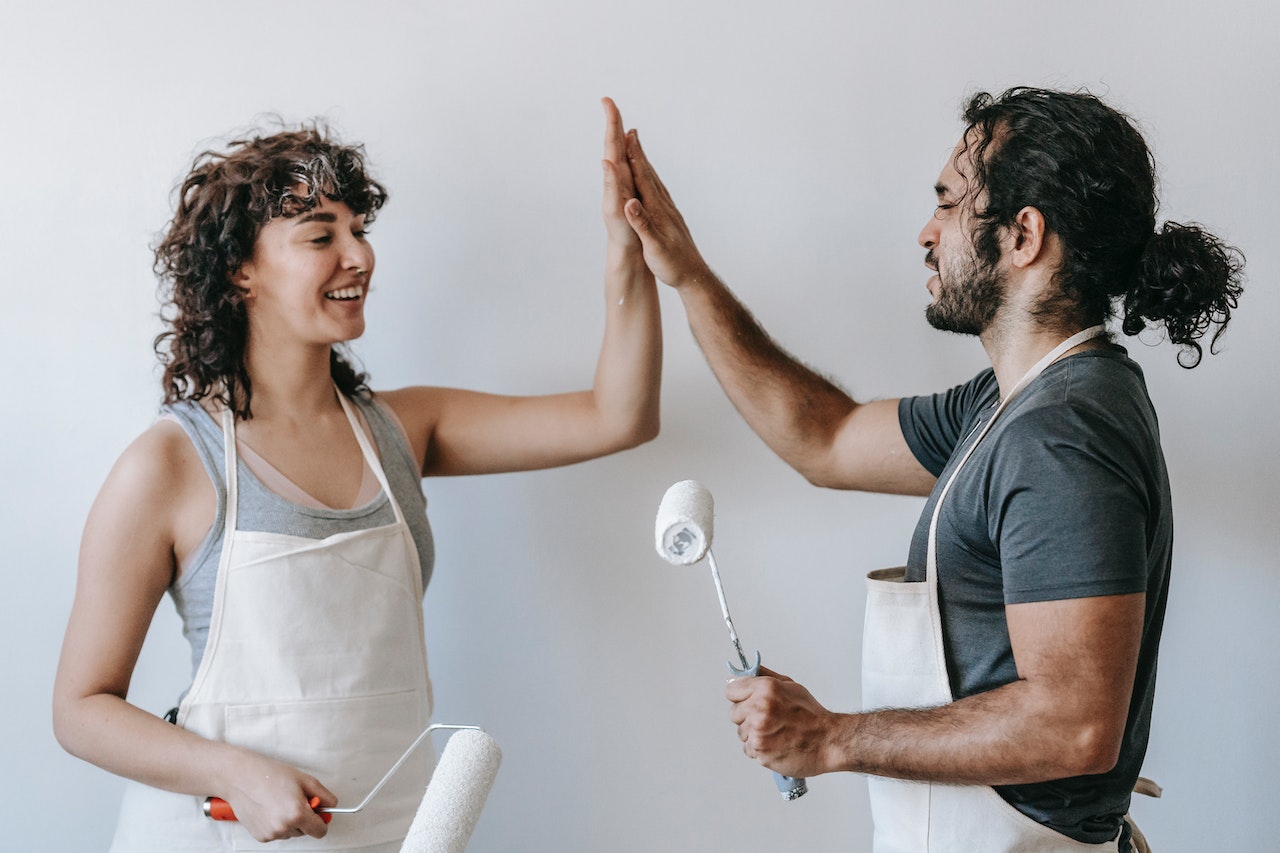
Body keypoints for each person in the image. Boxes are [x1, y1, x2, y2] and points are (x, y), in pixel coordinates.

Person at [617, 87, 1243, 852]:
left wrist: (834, 737)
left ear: (1023, 237)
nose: (926, 231)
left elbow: (1075, 723)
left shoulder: (1062, 433)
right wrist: (686, 275)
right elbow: (827, 437)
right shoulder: (1011, 401)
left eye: (948, 202)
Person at [52, 98, 660, 852]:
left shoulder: (403, 430)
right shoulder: (173, 462)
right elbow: (80, 707)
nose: (360, 256)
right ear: (241, 270)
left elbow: (619, 414)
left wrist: (626, 248)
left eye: (359, 230)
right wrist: (231, 769)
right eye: (320, 235)